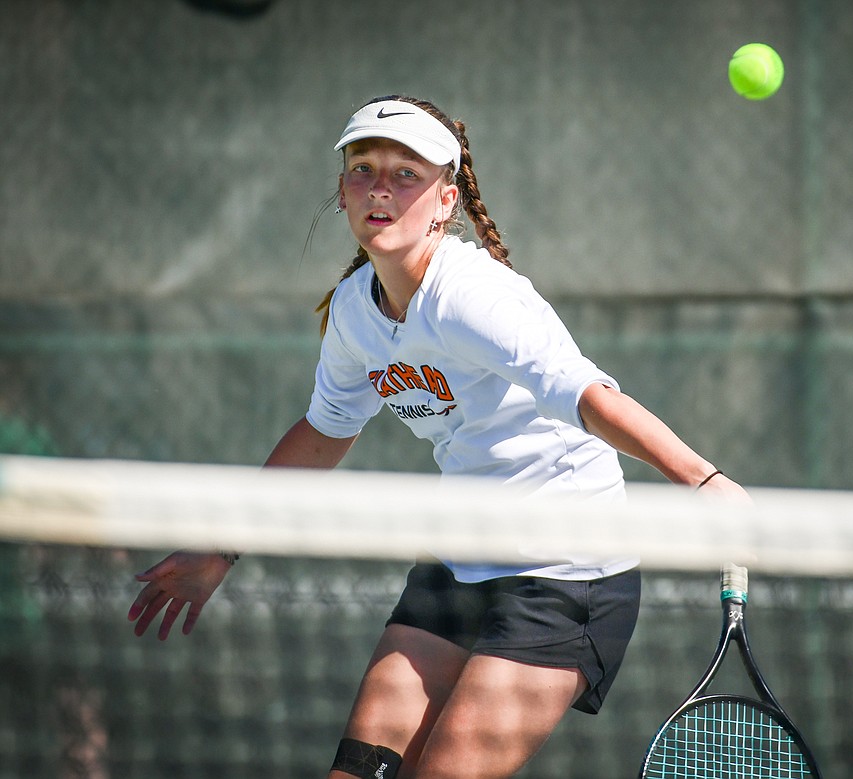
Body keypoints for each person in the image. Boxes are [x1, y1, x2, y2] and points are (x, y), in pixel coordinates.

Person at [127, 94, 749, 779]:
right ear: (342, 190)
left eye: (405, 174)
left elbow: (587, 395)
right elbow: (322, 433)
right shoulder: (353, 313)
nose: (380, 188)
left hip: (566, 573)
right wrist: (222, 544)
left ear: (445, 199)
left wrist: (704, 479)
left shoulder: (475, 297)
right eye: (363, 169)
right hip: (460, 558)